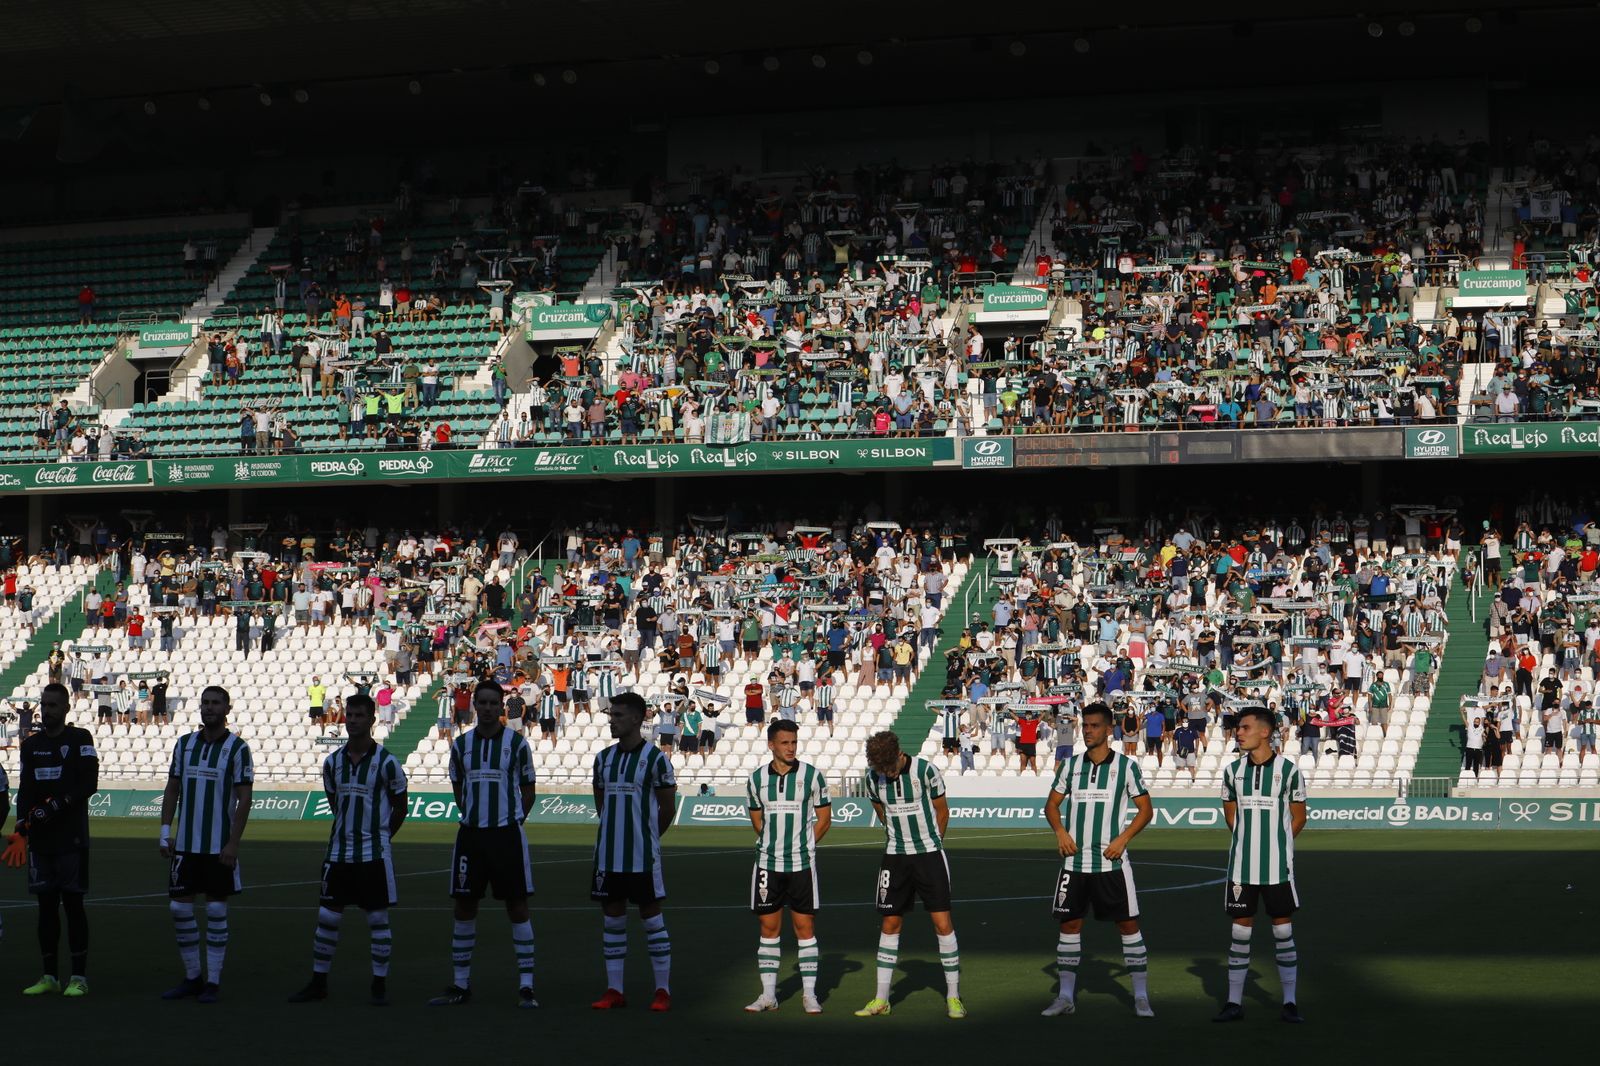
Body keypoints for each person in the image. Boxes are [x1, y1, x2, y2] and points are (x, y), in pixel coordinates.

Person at [287, 694, 408, 1006]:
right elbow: (334, 803)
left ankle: (379, 984)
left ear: (371, 720)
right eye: (349, 715)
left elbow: (400, 807)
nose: (352, 720)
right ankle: (319, 982)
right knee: (327, 919)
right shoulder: (332, 763)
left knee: (378, 921)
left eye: (359, 716)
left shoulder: (387, 763)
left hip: (373, 856)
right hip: (338, 855)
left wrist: (381, 837)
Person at [1039, 701, 1155, 1018]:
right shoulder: (1071, 766)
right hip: (1074, 864)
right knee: (1070, 924)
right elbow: (1051, 805)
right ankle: (1065, 997)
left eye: (1094, 726)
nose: (1087, 731)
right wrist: (1060, 832)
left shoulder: (1127, 767)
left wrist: (1123, 839)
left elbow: (1146, 810)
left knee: (1128, 925)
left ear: (1108, 729)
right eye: (1085, 726)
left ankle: (1141, 996)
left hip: (1111, 864)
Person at [429, 681, 537, 1008]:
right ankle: (461, 985)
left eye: (493, 703)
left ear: (501, 705)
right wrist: (474, 814)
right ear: (475, 705)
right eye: (483, 703)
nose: (488, 708)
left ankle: (527, 987)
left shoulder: (516, 745)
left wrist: (513, 818)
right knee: (464, 907)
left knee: (517, 907)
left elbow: (528, 789)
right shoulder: (461, 746)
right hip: (472, 836)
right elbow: (457, 786)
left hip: (507, 836)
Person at [855, 729, 964, 1020]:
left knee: (942, 924)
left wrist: (934, 843)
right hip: (894, 857)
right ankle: (881, 999)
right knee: (890, 923)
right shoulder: (872, 778)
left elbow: (942, 811)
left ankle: (953, 997)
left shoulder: (926, 771)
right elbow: (880, 811)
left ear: (898, 754)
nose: (885, 773)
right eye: (880, 768)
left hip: (929, 855)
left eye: (888, 767)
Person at [159, 685, 255, 1004]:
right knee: (178, 908)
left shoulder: (238, 748)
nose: (209, 708)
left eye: (215, 703)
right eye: (205, 703)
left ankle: (212, 981)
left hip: (218, 847)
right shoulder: (184, 745)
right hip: (185, 846)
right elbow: (172, 789)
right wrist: (164, 832)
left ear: (227, 709)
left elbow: (244, 800)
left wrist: (233, 844)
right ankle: (192, 977)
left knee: (215, 909)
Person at [1214, 706, 1309, 1025]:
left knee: (1283, 932)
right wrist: (1248, 840)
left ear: (1265, 732)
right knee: (1239, 935)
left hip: (1277, 868)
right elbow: (1231, 815)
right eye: (1237, 728)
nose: (1238, 732)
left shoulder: (1290, 771)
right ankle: (1233, 1002)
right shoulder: (1231, 771)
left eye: (1244, 727)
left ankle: (1290, 1003)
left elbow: (1299, 818)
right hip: (1241, 867)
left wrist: (1277, 843)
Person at [3, 684, 98, 997]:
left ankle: (79, 977)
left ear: (66, 708)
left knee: (72, 906)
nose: (47, 710)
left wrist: (57, 805)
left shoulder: (80, 738)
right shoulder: (32, 746)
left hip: (71, 839)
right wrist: (20, 828)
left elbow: (89, 783)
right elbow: (27, 789)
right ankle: (49, 976)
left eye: (54, 705)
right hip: (41, 843)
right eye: (44, 704)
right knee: (45, 909)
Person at [590, 691, 677, 1012]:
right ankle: (615, 990)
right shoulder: (603, 759)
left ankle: (662, 991)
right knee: (612, 920)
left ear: (638, 719)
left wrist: (648, 837)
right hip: (608, 856)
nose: (612, 720)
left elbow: (668, 808)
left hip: (642, 855)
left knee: (652, 920)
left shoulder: (655, 759)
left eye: (618, 715)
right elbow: (602, 805)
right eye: (611, 715)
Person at [744, 719, 832, 1014]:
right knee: (768, 928)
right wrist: (773, 842)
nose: (791, 747)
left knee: (804, 928)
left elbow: (824, 819)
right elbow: (758, 821)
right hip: (767, 864)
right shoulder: (756, 779)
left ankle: (809, 994)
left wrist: (805, 845)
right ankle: (769, 995)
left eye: (794, 742)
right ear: (771, 745)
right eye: (785, 742)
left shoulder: (812, 776)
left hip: (802, 864)